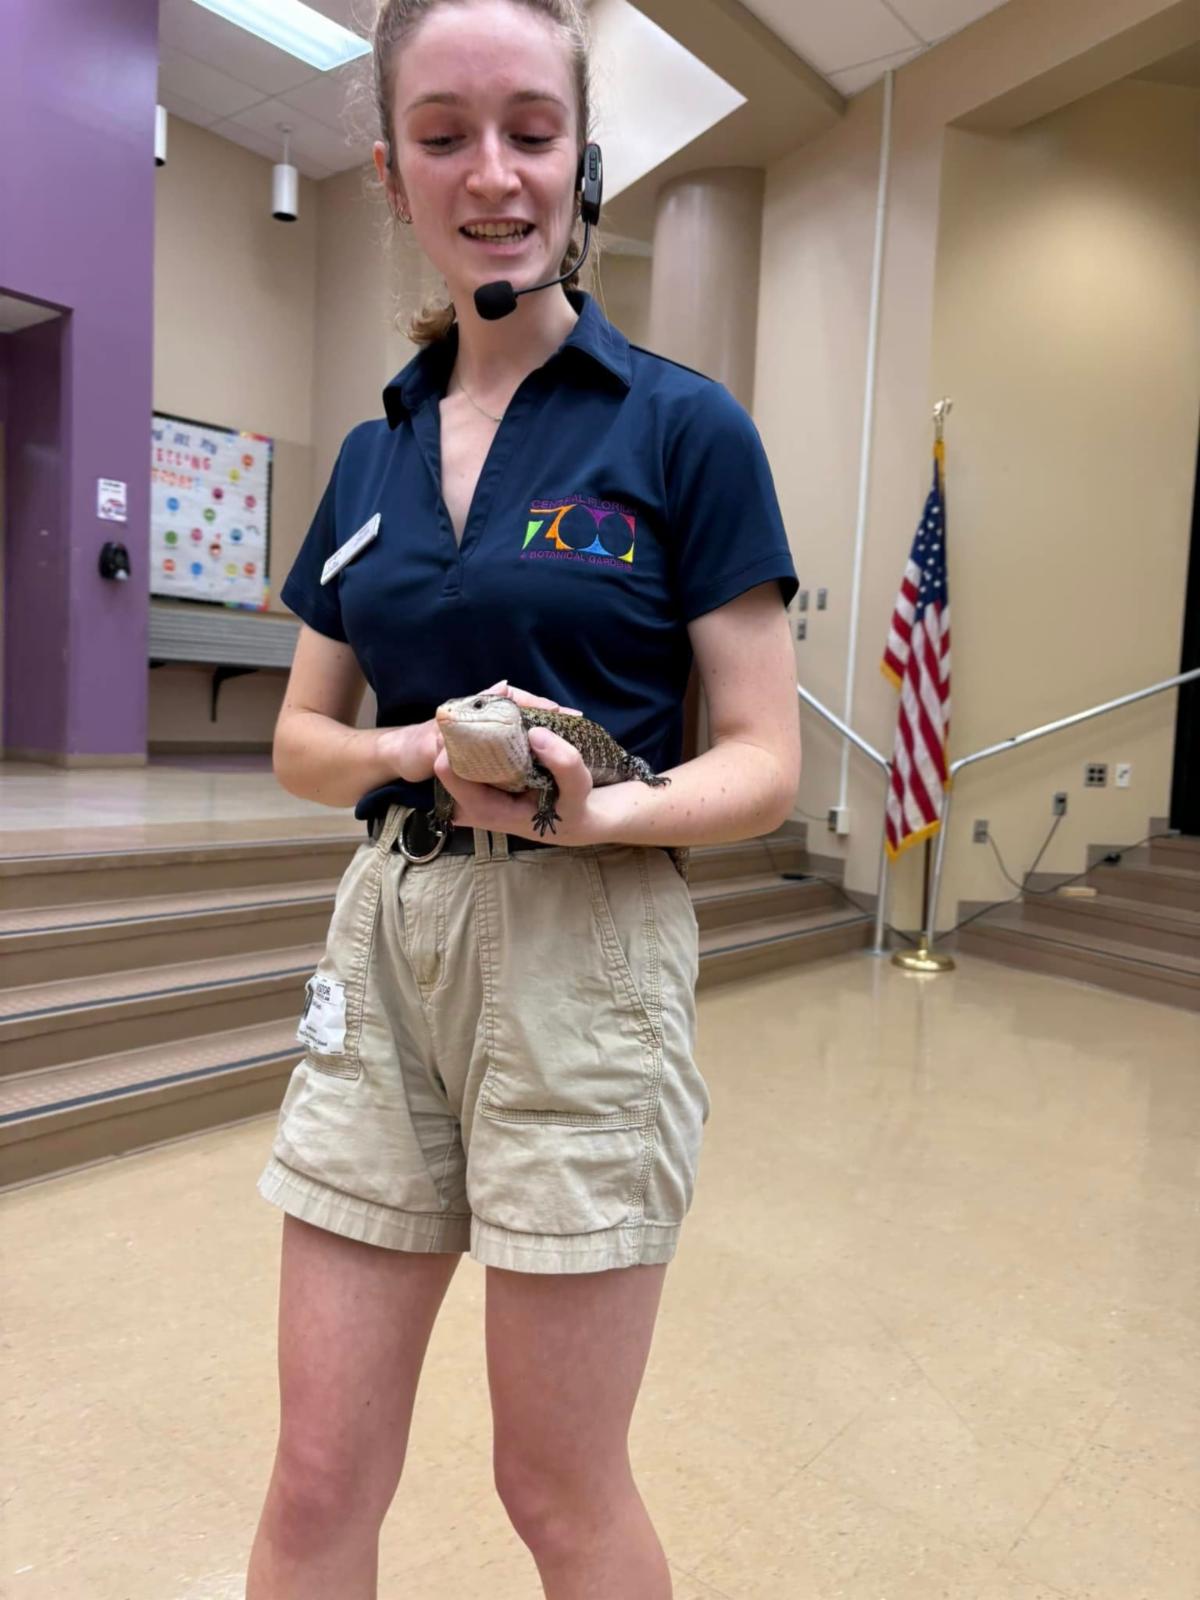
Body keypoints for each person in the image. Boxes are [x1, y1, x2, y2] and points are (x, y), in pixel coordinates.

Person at [247, 1, 800, 1595]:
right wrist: (404, 752)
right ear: (390, 174)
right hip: (387, 941)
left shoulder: (680, 427)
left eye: (531, 132)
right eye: (444, 136)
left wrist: (600, 812)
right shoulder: (372, 455)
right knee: (315, 1479)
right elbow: (302, 738)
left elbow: (765, 760)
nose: (492, 173)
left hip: (585, 953)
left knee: (554, 1487)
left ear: (581, 159)